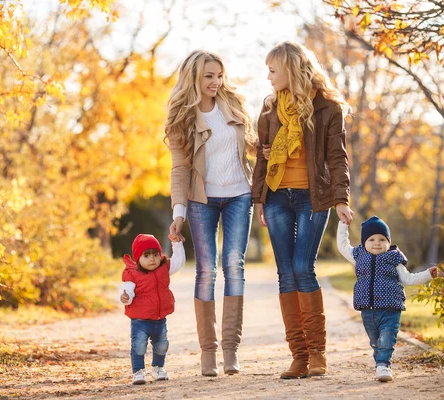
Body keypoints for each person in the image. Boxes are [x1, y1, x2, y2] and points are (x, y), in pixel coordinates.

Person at [251, 41, 354, 379]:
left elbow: (337, 157)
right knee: (285, 272)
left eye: (272, 70)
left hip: (313, 196)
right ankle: (299, 357)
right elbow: (261, 160)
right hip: (278, 195)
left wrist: (341, 198)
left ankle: (318, 353)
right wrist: (259, 200)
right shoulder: (268, 110)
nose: (268, 77)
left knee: (301, 267)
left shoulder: (327, 108)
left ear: (290, 69)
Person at [164, 50, 257, 376]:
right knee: (207, 270)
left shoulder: (234, 104)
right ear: (194, 78)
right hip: (202, 200)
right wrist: (179, 213)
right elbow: (179, 169)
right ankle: (208, 353)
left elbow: (256, 148)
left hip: (238, 196)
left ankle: (230, 351)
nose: (216, 81)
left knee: (234, 263)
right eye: (208, 76)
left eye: (219, 75)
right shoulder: (181, 117)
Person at [336, 216, 438, 381]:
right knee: (375, 341)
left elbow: (408, 279)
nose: (377, 242)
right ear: (363, 243)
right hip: (368, 310)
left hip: (390, 308)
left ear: (389, 242)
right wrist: (343, 226)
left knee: (387, 338)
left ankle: (384, 366)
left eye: (382, 239)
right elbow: (342, 246)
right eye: (372, 239)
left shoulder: (394, 258)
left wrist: (427, 274)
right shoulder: (358, 255)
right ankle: (380, 365)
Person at [119, 234, 185, 385]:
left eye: (155, 254)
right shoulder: (132, 273)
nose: (152, 259)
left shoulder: (163, 268)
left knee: (161, 345)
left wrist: (177, 244)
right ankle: (138, 371)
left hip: (159, 320)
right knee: (139, 346)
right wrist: (125, 297)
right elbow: (127, 290)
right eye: (146, 255)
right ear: (137, 258)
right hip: (140, 321)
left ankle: (158, 368)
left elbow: (178, 261)